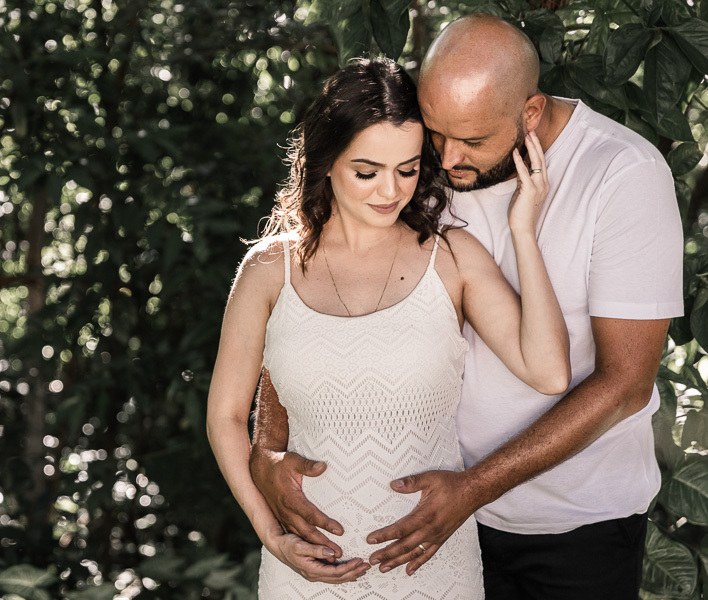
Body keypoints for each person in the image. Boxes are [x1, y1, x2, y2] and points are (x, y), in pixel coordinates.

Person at [249, 14, 684, 600]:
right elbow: (314, 277)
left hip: (573, 530)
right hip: (427, 523)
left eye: (474, 142)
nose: (448, 161)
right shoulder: (412, 155)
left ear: (530, 112)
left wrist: (473, 487)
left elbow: (626, 385)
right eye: (436, 132)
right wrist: (269, 449)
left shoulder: (619, 173)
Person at [206, 57, 571, 599]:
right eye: (366, 171)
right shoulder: (267, 270)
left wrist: (524, 229)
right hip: (304, 575)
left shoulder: (452, 258)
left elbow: (549, 372)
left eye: (406, 169)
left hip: (432, 572)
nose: (389, 191)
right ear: (326, 161)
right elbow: (227, 417)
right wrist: (272, 537)